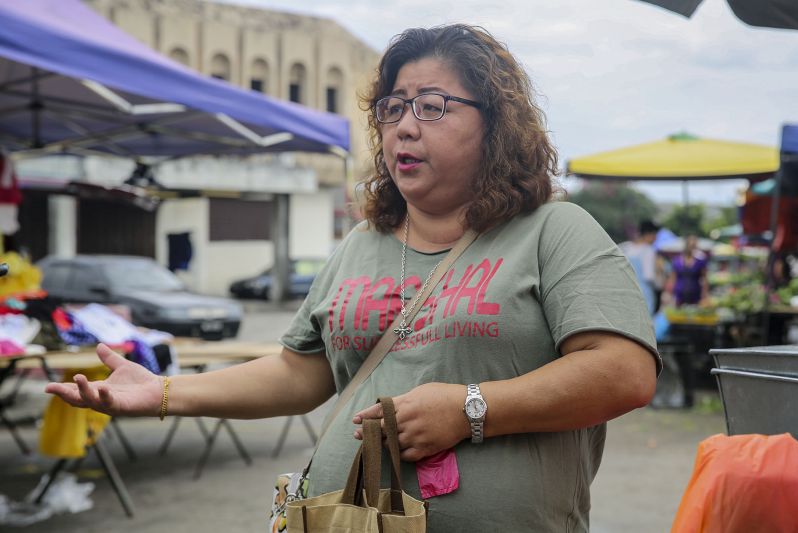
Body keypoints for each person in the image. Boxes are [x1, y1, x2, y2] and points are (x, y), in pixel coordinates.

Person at [46, 25, 660, 532]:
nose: (405, 127)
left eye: (431, 106)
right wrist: (164, 393)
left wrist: (471, 409)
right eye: (392, 108)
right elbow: (298, 372)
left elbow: (623, 372)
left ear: (496, 123)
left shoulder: (554, 230)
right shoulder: (361, 245)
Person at [620, 220, 659, 315]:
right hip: (644, 293)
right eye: (654, 235)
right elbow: (649, 276)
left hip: (625, 292)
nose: (655, 239)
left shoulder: (625, 247)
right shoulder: (648, 250)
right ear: (648, 234)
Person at [667, 234, 709, 307]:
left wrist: (705, 295)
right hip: (679, 296)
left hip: (695, 295)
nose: (691, 248)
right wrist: (669, 293)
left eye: (694, 246)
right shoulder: (676, 261)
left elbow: (704, 279)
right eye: (690, 245)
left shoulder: (700, 261)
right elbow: (673, 278)